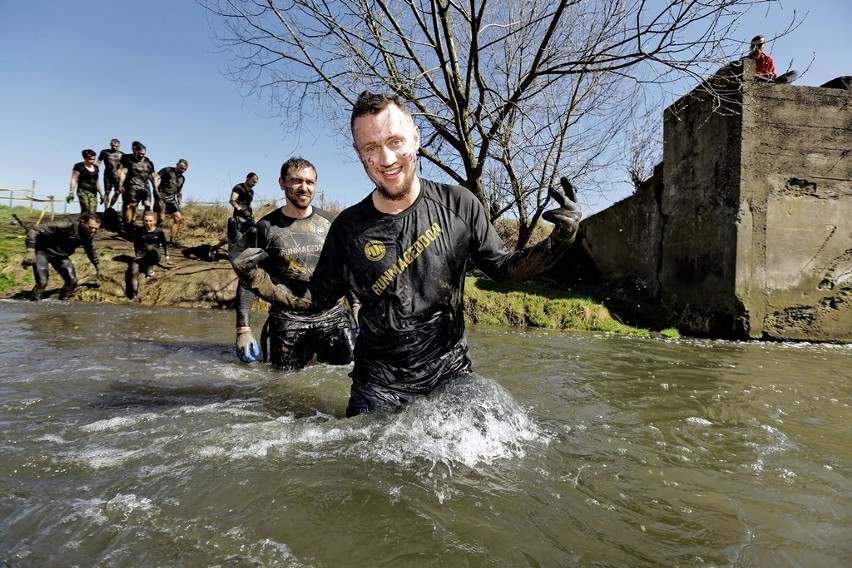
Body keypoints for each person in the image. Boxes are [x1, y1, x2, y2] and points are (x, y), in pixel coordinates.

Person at [233, 92, 581, 416]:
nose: (385, 159)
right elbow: (316, 299)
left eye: (395, 141)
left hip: (450, 376)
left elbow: (504, 270)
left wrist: (558, 240)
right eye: (371, 147)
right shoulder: (347, 228)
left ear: (416, 137)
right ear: (358, 153)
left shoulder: (460, 204)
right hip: (377, 387)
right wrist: (256, 279)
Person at [232, 158, 357, 369]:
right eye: (296, 181)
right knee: (285, 385)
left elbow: (347, 268)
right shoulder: (265, 228)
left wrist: (356, 305)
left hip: (332, 316)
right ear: (282, 183)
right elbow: (248, 278)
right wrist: (243, 329)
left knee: (347, 378)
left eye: (310, 182)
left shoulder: (330, 222)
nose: (304, 187)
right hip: (288, 320)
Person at [21, 212, 102, 301]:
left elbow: (90, 250)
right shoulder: (65, 225)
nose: (93, 231)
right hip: (42, 252)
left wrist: (98, 268)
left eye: (96, 228)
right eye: (90, 227)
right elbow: (33, 231)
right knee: (42, 282)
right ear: (82, 222)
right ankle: (33, 304)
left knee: (72, 282)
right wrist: (30, 251)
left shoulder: (89, 234)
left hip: (61, 256)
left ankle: (63, 303)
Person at [118, 141, 159, 236]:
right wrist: (120, 184)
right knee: (132, 205)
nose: (141, 155)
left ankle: (145, 226)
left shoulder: (148, 162)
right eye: (139, 153)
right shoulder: (129, 160)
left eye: (143, 154)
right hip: (133, 186)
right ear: (135, 152)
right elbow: (123, 172)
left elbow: (153, 175)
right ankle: (128, 226)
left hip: (145, 186)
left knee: (147, 205)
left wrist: (156, 188)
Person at [129, 211, 169, 300]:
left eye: (150, 221)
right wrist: (137, 255)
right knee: (133, 270)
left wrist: (167, 255)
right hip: (142, 255)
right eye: (146, 221)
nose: (148, 223)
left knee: (149, 248)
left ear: (154, 221)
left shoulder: (159, 231)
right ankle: (134, 295)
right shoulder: (139, 230)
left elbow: (165, 244)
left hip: (155, 254)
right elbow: (136, 244)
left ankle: (150, 268)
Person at [155, 159, 188, 246]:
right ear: (177, 165)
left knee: (178, 219)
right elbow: (156, 177)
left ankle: (172, 239)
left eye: (184, 169)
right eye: (181, 168)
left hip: (171, 199)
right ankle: (150, 231)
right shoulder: (167, 170)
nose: (182, 170)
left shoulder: (182, 178)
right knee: (161, 219)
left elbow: (179, 190)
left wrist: (180, 202)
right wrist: (155, 189)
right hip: (161, 197)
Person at [67, 149, 104, 214]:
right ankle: (82, 223)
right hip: (82, 190)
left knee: (92, 212)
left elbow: (97, 182)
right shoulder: (79, 166)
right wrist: (71, 192)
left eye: (93, 159)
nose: (92, 161)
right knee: (86, 210)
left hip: (93, 192)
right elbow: (74, 179)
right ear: (85, 158)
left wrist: (101, 194)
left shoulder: (96, 168)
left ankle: (89, 223)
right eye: (90, 159)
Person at [97, 138, 124, 209]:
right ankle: (106, 208)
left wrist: (121, 174)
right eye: (113, 145)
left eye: (116, 146)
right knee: (107, 192)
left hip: (117, 176)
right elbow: (99, 161)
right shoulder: (104, 152)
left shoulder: (122, 154)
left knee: (117, 192)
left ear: (119, 146)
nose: (114, 147)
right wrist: (96, 169)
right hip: (108, 175)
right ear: (110, 145)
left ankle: (110, 207)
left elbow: (124, 166)